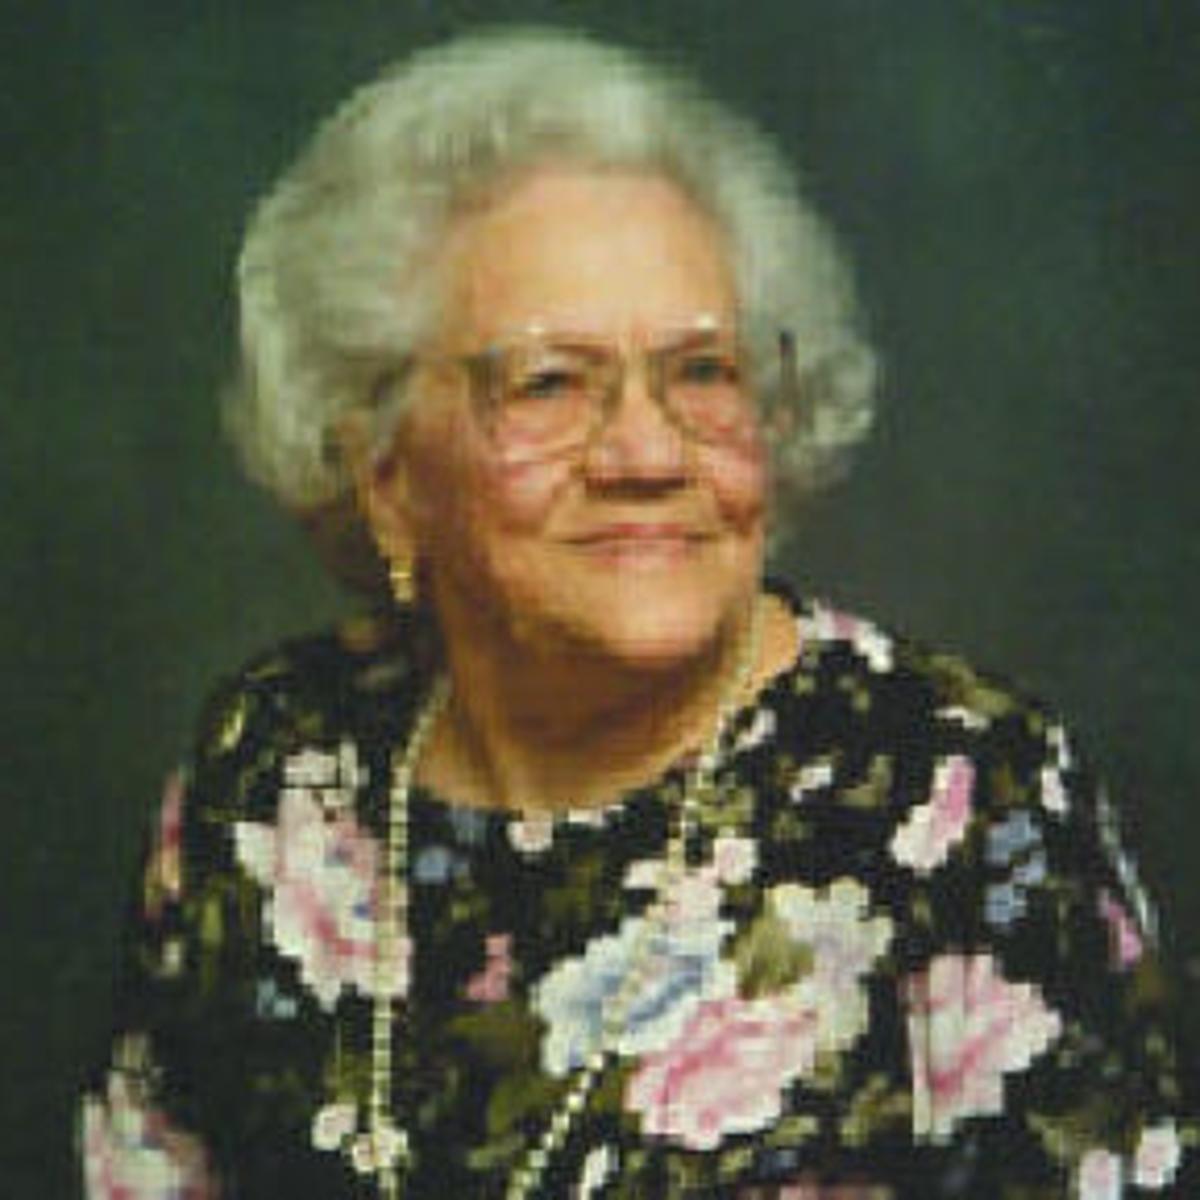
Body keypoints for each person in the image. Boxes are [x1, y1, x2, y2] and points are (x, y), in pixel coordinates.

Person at [80, 27, 1195, 1199]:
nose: (647, 453)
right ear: (387, 473)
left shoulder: (967, 800)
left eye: (703, 371)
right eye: (550, 383)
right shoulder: (271, 768)